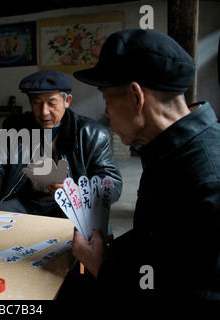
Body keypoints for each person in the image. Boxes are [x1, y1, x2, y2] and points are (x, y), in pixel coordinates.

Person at [68, 29, 220, 299]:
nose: (106, 112)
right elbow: (156, 241)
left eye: (106, 97)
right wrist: (110, 250)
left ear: (136, 97)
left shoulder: (208, 182)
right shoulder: (168, 150)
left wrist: (98, 265)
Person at [0, 69, 122, 218]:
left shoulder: (92, 133)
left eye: (52, 103)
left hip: (69, 204)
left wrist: (82, 192)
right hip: (25, 202)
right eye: (37, 103)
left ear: (67, 101)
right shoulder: (15, 126)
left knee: (89, 233)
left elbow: (111, 183)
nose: (44, 112)